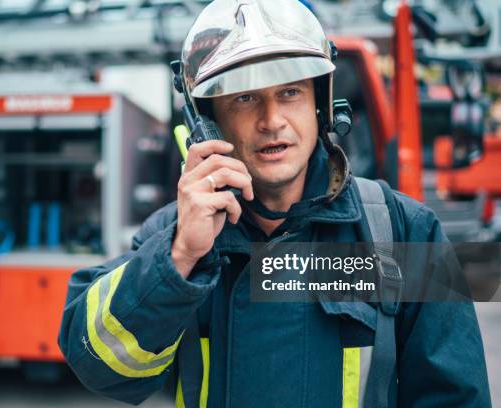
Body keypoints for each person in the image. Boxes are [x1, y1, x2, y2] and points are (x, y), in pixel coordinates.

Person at [58, 0, 491, 407]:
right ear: (206, 121)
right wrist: (180, 258)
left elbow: (454, 397)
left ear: (319, 103)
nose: (271, 120)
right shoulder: (176, 238)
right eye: (244, 98)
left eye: (289, 93)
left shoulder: (403, 231)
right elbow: (98, 367)